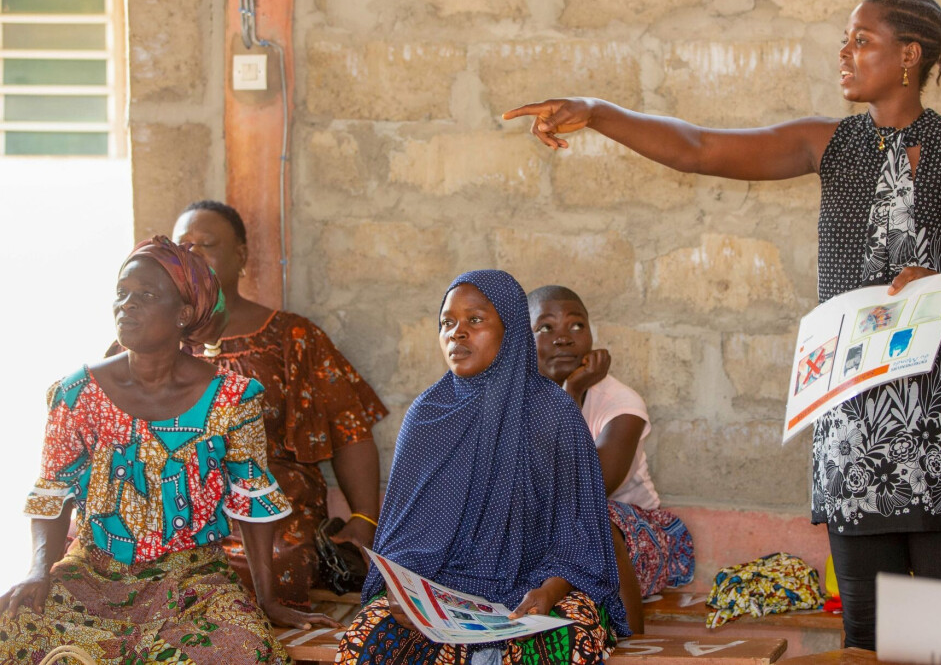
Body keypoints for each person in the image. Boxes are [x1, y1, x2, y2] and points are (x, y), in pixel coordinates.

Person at [504, 0, 941, 650]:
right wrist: (597, 112)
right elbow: (699, 147)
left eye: (862, 40)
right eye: (844, 39)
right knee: (868, 636)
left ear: (909, 55)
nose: (845, 53)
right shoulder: (827, 145)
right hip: (854, 422)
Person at [0, 236, 338, 664]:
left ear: (183, 314)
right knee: (16, 626)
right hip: (93, 573)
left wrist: (266, 599)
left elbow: (251, 502)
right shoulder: (76, 393)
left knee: (242, 649)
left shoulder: (231, 399)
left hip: (192, 579)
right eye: (121, 294)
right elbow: (53, 491)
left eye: (144, 295)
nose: (126, 305)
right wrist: (38, 570)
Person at [335, 270, 629, 664]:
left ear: (510, 329)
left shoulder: (553, 413)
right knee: (369, 637)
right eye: (446, 323)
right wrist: (401, 593)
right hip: (441, 590)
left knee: (564, 641)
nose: (456, 333)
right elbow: (402, 539)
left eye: (474, 320)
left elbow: (576, 535)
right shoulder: (427, 416)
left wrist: (548, 591)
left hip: (536, 589)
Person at [165, 200, 387, 607]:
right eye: (184, 246)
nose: (193, 255)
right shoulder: (154, 341)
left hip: (272, 504)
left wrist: (364, 518)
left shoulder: (291, 336)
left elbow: (349, 427)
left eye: (207, 244)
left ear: (241, 256)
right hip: (175, 502)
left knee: (270, 566)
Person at [528, 285, 694, 634]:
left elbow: (591, 488)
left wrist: (570, 394)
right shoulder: (517, 400)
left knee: (593, 517)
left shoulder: (621, 403)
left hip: (633, 539)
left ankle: (635, 644)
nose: (563, 338)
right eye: (545, 327)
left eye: (576, 326)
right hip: (560, 537)